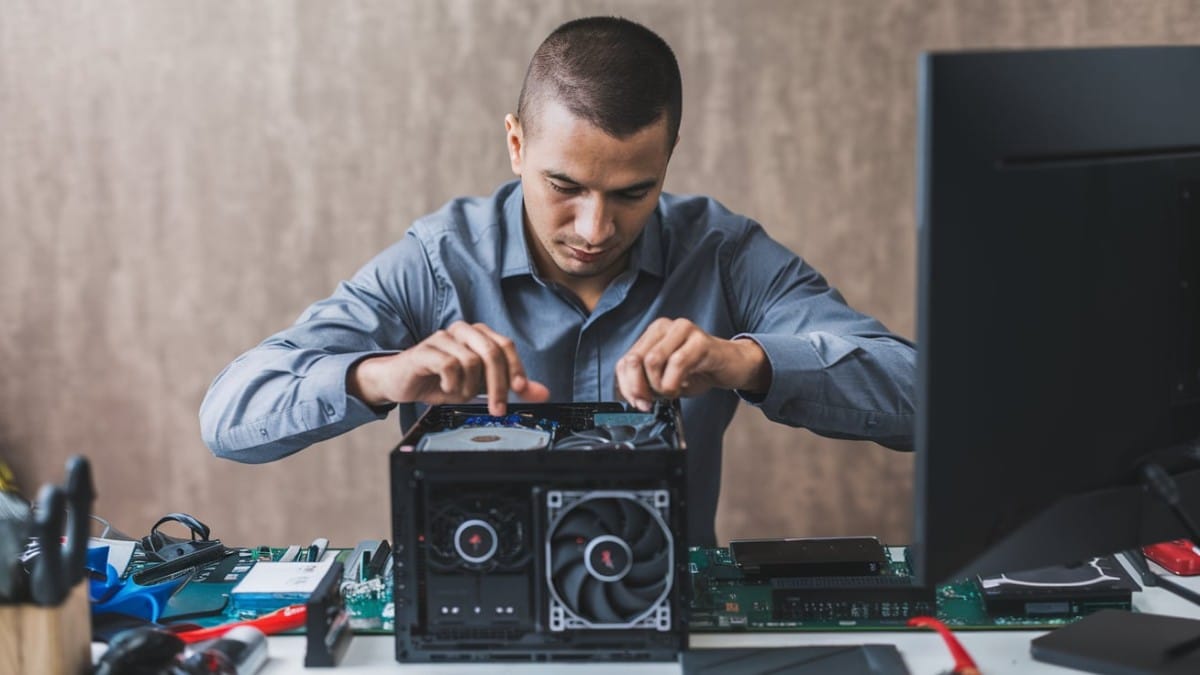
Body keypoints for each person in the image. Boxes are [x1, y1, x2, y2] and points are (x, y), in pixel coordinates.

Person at [200, 16, 916, 547]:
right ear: (516, 144)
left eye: (634, 192)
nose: (594, 227)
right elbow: (229, 415)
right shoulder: (436, 260)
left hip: (665, 623)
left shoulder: (724, 252)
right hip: (471, 620)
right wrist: (384, 377)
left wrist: (749, 361)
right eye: (563, 186)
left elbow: (923, 397)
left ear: (670, 156)